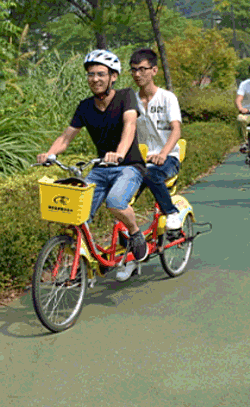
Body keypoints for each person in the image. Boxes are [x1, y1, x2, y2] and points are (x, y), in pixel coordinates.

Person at [37, 49, 148, 263]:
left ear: (113, 77)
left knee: (115, 202)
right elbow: (66, 138)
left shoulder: (126, 96)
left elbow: (130, 125)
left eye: (101, 74)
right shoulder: (85, 106)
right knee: (76, 214)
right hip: (100, 169)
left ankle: (135, 233)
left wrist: (119, 154)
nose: (95, 79)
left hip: (129, 166)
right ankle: (81, 260)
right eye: (91, 74)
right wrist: (49, 154)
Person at [129, 48, 183, 231]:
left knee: (152, 173)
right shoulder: (131, 101)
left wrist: (162, 154)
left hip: (167, 157)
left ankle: (171, 213)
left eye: (142, 69)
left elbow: (176, 130)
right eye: (134, 69)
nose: (137, 74)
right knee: (118, 189)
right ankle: (127, 233)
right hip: (141, 159)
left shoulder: (167, 98)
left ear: (154, 70)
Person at [235, 66, 250, 157]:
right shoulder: (244, 84)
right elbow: (238, 99)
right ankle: (244, 143)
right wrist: (241, 108)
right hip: (247, 113)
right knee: (241, 119)